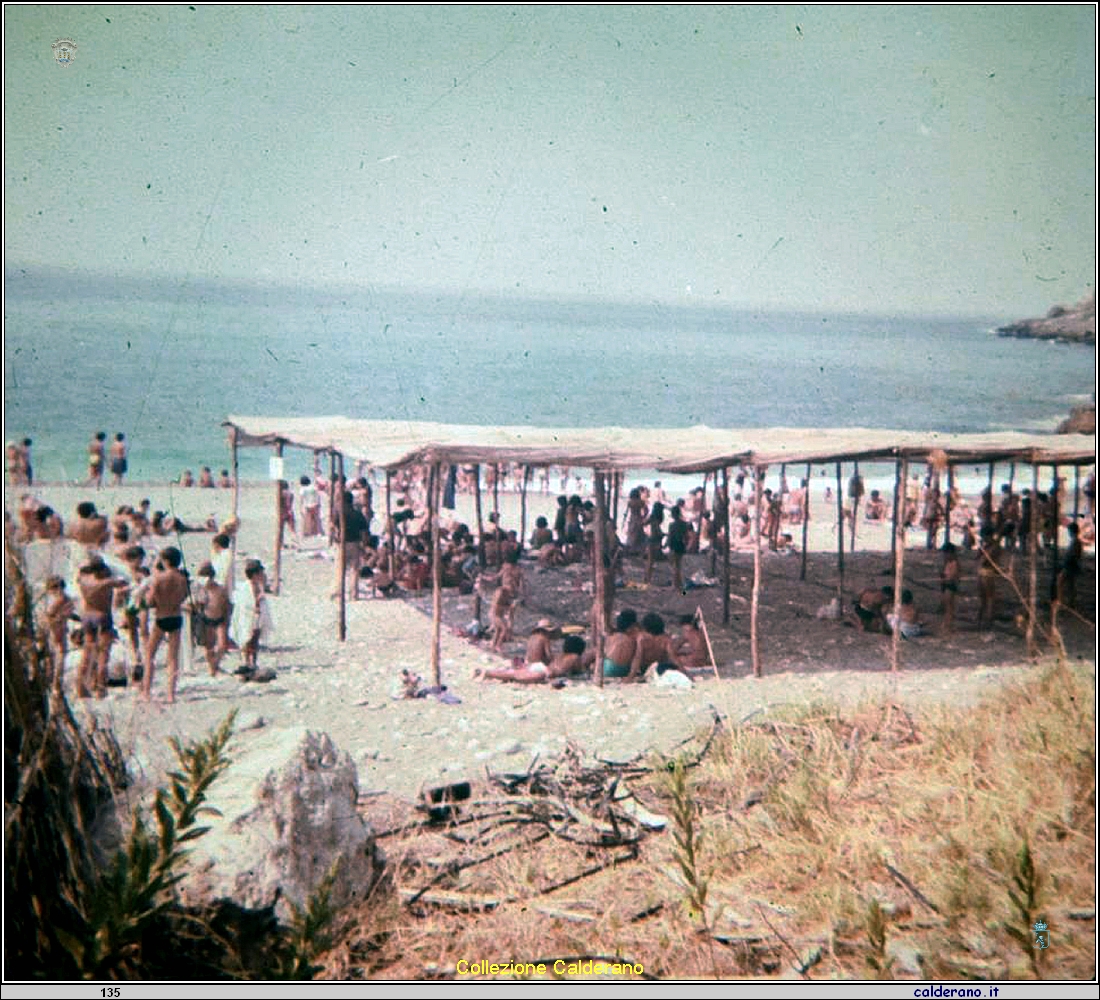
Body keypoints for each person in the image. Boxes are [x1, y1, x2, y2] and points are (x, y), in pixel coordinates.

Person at [142, 546, 190, 704]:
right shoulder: (183, 579)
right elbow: (184, 598)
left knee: (149, 655)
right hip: (176, 617)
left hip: (161, 617)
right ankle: (171, 694)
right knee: (173, 658)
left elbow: (149, 601)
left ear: (166, 561)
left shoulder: (158, 578)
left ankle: (146, 692)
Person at [76, 557, 128, 698]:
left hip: (87, 616)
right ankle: (100, 688)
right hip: (102, 616)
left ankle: (81, 687)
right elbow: (122, 583)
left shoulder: (84, 580)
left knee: (87, 654)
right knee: (103, 655)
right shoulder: (106, 582)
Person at [476, 635, 587, 684]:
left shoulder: (561, 655)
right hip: (545, 672)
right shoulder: (575, 657)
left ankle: (488, 672)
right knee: (516, 676)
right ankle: (488, 673)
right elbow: (579, 671)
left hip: (542, 667)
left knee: (515, 673)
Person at [234, 559, 273, 680]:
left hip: (255, 618)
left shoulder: (256, 585)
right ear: (255, 574)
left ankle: (252, 663)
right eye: (260, 572)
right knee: (249, 639)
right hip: (250, 618)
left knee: (254, 640)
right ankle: (247, 663)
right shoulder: (248, 587)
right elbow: (249, 603)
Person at [192, 561, 230, 676]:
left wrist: (227, 621)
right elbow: (198, 606)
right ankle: (212, 669)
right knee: (209, 647)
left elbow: (226, 606)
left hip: (220, 620)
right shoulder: (202, 590)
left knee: (222, 646)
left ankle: (215, 663)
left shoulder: (221, 589)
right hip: (206, 620)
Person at [41, 576, 75, 690]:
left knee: (56, 655)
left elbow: (50, 615)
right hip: (58, 630)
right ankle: (55, 682)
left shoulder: (59, 600)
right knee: (58, 655)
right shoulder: (66, 599)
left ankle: (54, 682)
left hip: (56, 630)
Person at [628, 612, 681, 682]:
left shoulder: (642, 638)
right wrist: (687, 674)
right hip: (660, 669)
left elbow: (637, 658)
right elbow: (674, 658)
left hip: (646, 670)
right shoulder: (666, 639)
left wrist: (630, 677)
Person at [977, 526, 1003, 628]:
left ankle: (989, 619)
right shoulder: (987, 545)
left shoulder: (994, 546)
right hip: (982, 572)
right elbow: (978, 558)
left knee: (990, 597)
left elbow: (986, 560)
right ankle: (981, 617)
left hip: (988, 572)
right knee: (982, 597)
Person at [666, 504, 690, 592]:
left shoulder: (672, 525)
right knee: (678, 565)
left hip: (674, 545)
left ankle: (675, 585)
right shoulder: (684, 524)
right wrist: (686, 544)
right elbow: (686, 536)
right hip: (681, 545)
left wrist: (667, 545)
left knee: (675, 566)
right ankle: (679, 584)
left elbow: (670, 537)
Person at [940, 542, 960, 633]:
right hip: (946, 585)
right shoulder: (947, 562)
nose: (944, 555)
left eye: (945, 553)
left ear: (950, 553)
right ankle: (946, 624)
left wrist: (945, 579)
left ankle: (949, 626)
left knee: (949, 607)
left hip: (950, 586)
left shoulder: (954, 563)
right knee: (946, 606)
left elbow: (952, 577)